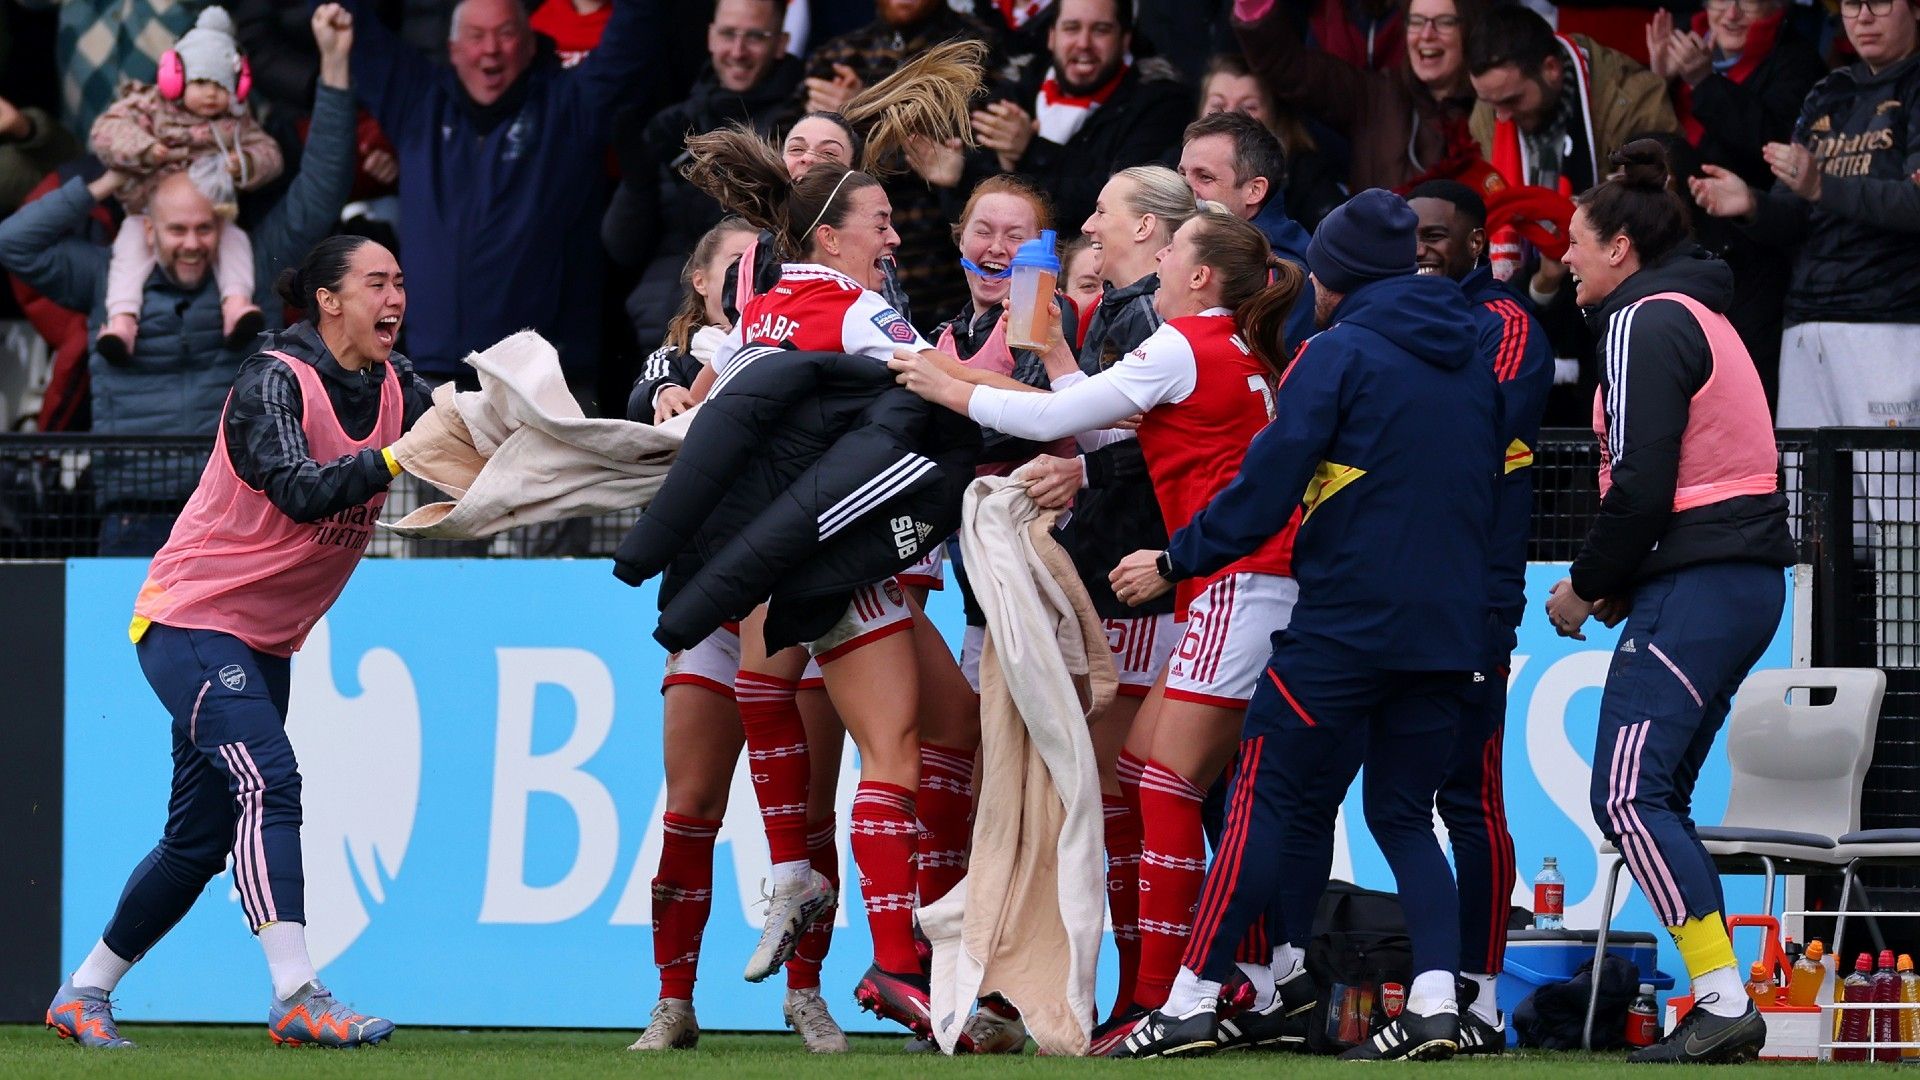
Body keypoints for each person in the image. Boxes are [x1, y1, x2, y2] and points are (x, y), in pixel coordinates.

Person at [892, 207, 1310, 1058]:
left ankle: (1176, 995)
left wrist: (943, 382)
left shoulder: (1181, 342)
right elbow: (1099, 420)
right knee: (1145, 772)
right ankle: (1199, 984)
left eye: (1174, 250)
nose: (1156, 263)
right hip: (1241, 588)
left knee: (1166, 786)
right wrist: (1049, 357)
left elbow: (1056, 424)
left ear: (1199, 275)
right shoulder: (1230, 346)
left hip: (1239, 588)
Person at [1111, 189, 1496, 1060]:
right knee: (1405, 816)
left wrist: (1179, 558)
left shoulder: (1336, 352)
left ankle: (1190, 998)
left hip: (1346, 624)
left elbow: (1267, 485)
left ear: (1339, 273)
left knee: (1262, 800)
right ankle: (1439, 1002)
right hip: (1447, 628)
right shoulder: (1471, 356)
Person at [44, 233, 434, 1051]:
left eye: (400, 282)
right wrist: (399, 457)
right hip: (193, 617)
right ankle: (296, 993)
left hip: (264, 641)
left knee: (198, 840)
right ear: (328, 300)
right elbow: (296, 490)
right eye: (376, 283)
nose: (394, 297)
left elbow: (467, 436)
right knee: (272, 780)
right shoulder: (272, 379)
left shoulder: (398, 384)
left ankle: (83, 992)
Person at [677, 104, 959, 1035]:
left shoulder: (760, 309)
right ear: (832, 235)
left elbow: (714, 412)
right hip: (846, 549)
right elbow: (932, 386)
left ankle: (801, 874)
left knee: (799, 696)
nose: (893, 237)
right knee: (898, 750)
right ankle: (893, 961)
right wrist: (1057, 407)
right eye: (879, 223)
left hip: (761, 554)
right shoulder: (858, 306)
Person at [1546, 140, 1794, 1064]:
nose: (1563, 257)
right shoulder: (1693, 307)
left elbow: (1643, 485)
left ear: (1620, 249)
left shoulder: (1639, 318)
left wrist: (1587, 584)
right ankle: (1718, 994)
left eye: (1575, 240)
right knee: (1657, 796)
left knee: (1625, 793)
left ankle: (1723, 998)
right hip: (1731, 578)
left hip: (1706, 579)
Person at [0, 4, 360, 556]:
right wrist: (103, 184)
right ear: (146, 230)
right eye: (176, 229)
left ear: (223, 222)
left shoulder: (254, 265)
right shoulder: (104, 278)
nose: (192, 242)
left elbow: (322, 189)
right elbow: (13, 242)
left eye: (204, 228)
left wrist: (334, 67)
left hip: (232, 512)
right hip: (131, 513)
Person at [621, 217, 852, 1055]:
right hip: (713, 609)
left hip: (801, 611)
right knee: (690, 810)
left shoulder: (816, 347)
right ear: (699, 281)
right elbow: (646, 412)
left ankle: (806, 994)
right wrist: (673, 400)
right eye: (733, 269)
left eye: (764, 269)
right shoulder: (681, 357)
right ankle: (672, 1002)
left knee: (811, 815)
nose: (750, 283)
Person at [329, 0, 665, 392]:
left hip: (547, 381)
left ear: (529, 43)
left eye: (505, 34)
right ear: (453, 49)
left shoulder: (572, 107)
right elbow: (351, 23)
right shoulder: (418, 103)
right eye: (475, 36)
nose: (490, 49)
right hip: (435, 375)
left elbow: (638, 31)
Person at [1408, 177, 1553, 1052]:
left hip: (1474, 595)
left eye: (1438, 236)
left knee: (1472, 795)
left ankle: (1483, 989)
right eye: (1412, 236)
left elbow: (1470, 431)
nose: (1423, 249)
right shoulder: (1378, 321)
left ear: (1473, 245)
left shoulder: (1503, 325)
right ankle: (1291, 977)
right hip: (1385, 592)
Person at [1690, 0, 1920, 439]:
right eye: (1852, 5)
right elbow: (1795, 215)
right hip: (1806, 325)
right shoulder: (1827, 91)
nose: (1863, 17)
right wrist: (1752, 205)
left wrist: (1822, 188)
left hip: (1891, 323)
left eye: (1881, 2)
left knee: (1895, 501)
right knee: (1806, 498)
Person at [1644, 0, 1827, 411]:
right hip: (1677, 262)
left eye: (1749, 4)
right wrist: (1657, 83)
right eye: (1721, 1)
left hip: (1751, 264)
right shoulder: (1684, 58)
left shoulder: (1798, 63)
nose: (1731, 15)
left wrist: (1704, 81)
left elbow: (1773, 149)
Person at [602, 0, 803, 352]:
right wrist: (638, 185)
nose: (738, 52)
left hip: (754, 337)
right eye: (728, 34)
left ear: (782, 43)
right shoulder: (673, 124)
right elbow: (622, 247)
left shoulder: (799, 129)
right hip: (660, 336)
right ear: (710, 37)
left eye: (755, 37)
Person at [89, 6, 283, 360]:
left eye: (221, 87)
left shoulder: (235, 123)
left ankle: (237, 305)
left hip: (212, 214)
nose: (211, 95)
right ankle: (121, 321)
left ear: (238, 88)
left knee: (235, 239)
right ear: (175, 78)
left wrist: (246, 164)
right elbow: (105, 131)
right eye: (202, 83)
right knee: (128, 251)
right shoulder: (149, 106)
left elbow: (270, 154)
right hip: (148, 211)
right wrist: (146, 149)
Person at [794, 0, 999, 326]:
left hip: (950, 278)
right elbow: (803, 167)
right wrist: (841, 124)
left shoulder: (980, 49)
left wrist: (856, 114)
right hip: (850, 277)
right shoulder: (837, 57)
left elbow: (993, 158)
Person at [961, 0, 1193, 237]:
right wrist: (955, 176)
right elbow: (975, 213)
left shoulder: (1161, 104)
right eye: (1071, 28)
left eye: (1100, 30)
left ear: (1125, 39)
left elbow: (1121, 202)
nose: (1084, 43)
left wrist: (1031, 151)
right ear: (1052, 35)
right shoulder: (1017, 89)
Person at [1232, 0, 1485, 193]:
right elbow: (1287, 65)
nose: (1427, 35)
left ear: (1469, 29)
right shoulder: (1375, 96)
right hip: (1386, 258)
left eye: (1444, 22)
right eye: (1417, 22)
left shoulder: (1498, 104)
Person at [1176, 111, 1316, 349]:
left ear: (1254, 190)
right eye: (1181, 174)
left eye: (1205, 177)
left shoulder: (1283, 272)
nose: (1183, 189)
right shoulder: (1186, 241)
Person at [1194, 52, 1345, 231]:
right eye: (1218, 104)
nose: (1230, 115)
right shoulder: (1173, 163)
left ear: (1274, 114)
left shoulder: (1304, 171)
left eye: (1249, 107)